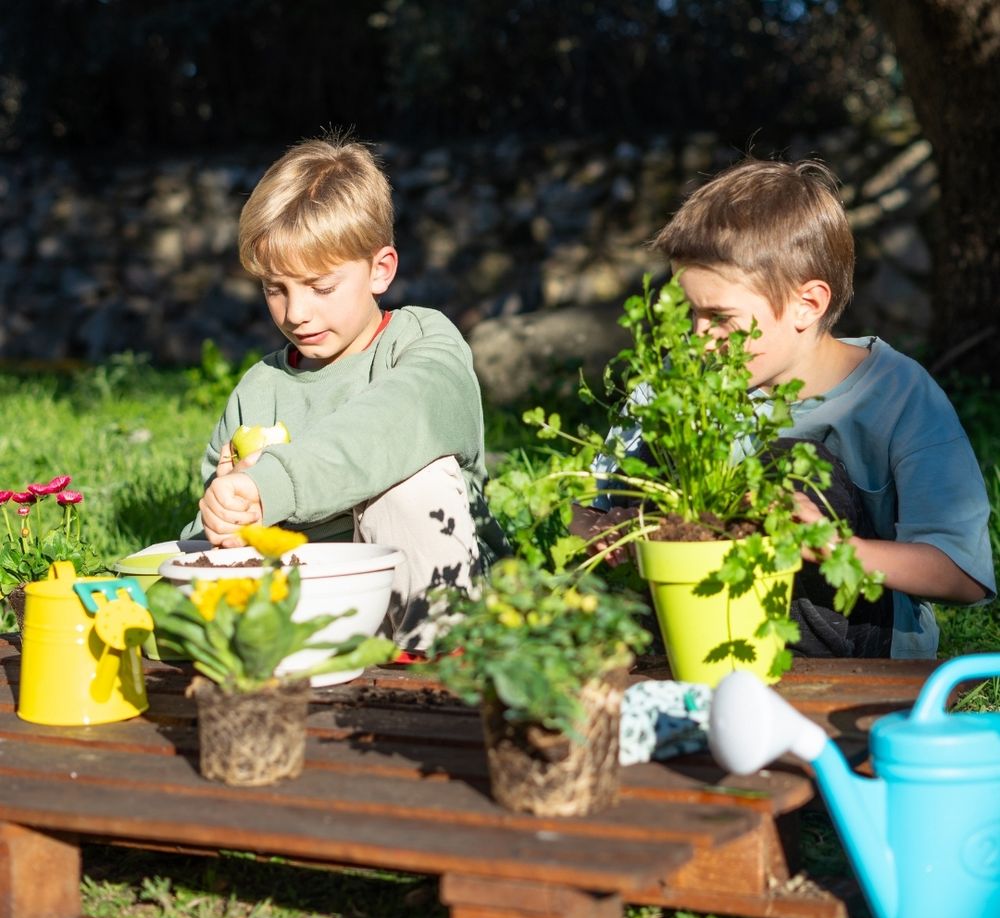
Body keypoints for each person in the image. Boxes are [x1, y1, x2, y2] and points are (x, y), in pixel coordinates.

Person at [572, 157, 994, 659]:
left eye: (720, 317)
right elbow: (585, 512)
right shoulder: (670, 391)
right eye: (689, 313)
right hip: (689, 644)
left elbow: (963, 575)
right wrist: (600, 530)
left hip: (856, 665)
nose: (698, 340)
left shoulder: (897, 394)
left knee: (795, 468)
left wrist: (837, 550)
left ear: (807, 305)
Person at [180, 134, 507, 651]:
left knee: (409, 477)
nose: (296, 313)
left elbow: (398, 420)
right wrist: (228, 513)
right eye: (275, 289)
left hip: (428, 604)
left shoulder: (422, 342)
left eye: (321, 287)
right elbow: (201, 537)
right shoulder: (259, 390)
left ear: (381, 270)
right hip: (313, 618)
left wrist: (274, 483)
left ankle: (441, 663)